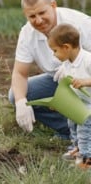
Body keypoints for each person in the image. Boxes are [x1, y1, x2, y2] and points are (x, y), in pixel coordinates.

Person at [8, 0, 91, 139]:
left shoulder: (80, 24)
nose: (38, 20)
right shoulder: (27, 34)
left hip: (87, 81)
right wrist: (21, 102)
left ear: (53, 6)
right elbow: (20, 73)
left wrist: (73, 67)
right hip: (59, 81)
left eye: (42, 13)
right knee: (16, 94)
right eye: (32, 16)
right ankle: (70, 131)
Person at [48, 24, 91, 169]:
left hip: (88, 105)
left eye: (55, 50)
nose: (53, 54)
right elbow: (64, 86)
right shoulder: (66, 64)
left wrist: (85, 81)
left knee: (84, 131)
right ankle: (77, 149)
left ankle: (86, 161)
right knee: (72, 126)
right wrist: (58, 101)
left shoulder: (87, 60)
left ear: (66, 47)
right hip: (76, 102)